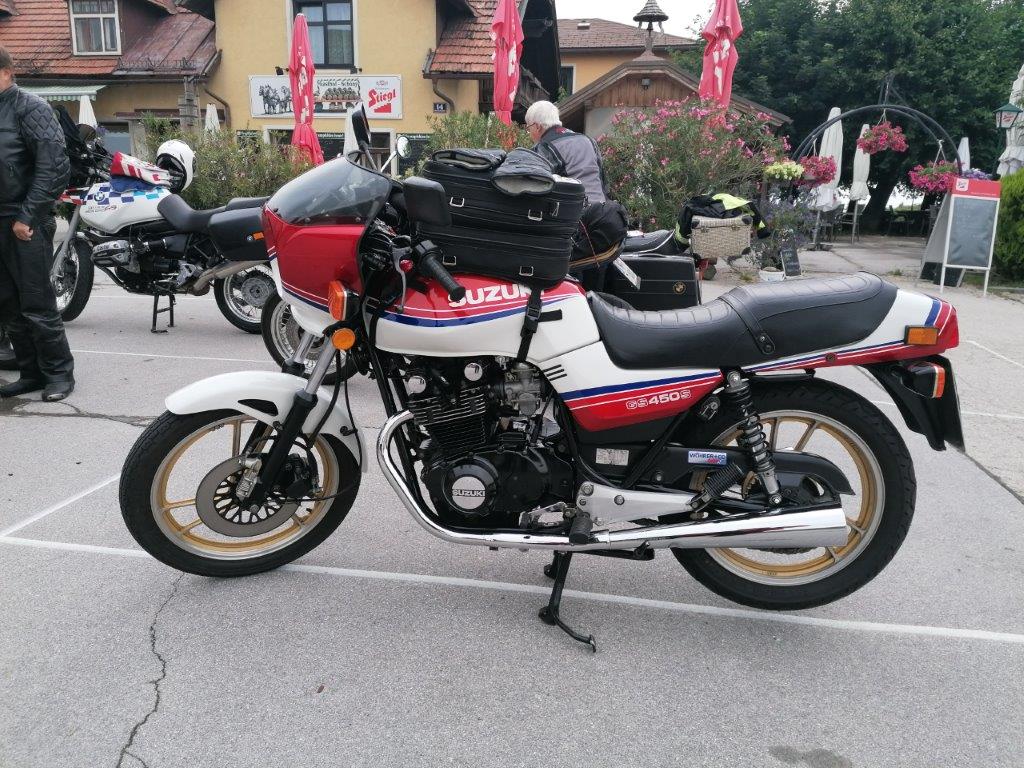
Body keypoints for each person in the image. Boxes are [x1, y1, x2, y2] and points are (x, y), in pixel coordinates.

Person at [0, 44, 75, 400]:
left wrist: (27, 216)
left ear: (6, 72)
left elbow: (54, 167)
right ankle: (30, 372)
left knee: (36, 303)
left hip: (24, 220)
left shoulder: (31, 107)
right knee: (8, 304)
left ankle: (59, 374)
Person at [526, 100, 608, 204]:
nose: (529, 134)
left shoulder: (545, 147)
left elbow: (538, 186)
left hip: (573, 209)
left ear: (537, 126)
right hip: (602, 207)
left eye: (529, 128)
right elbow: (602, 180)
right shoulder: (588, 140)